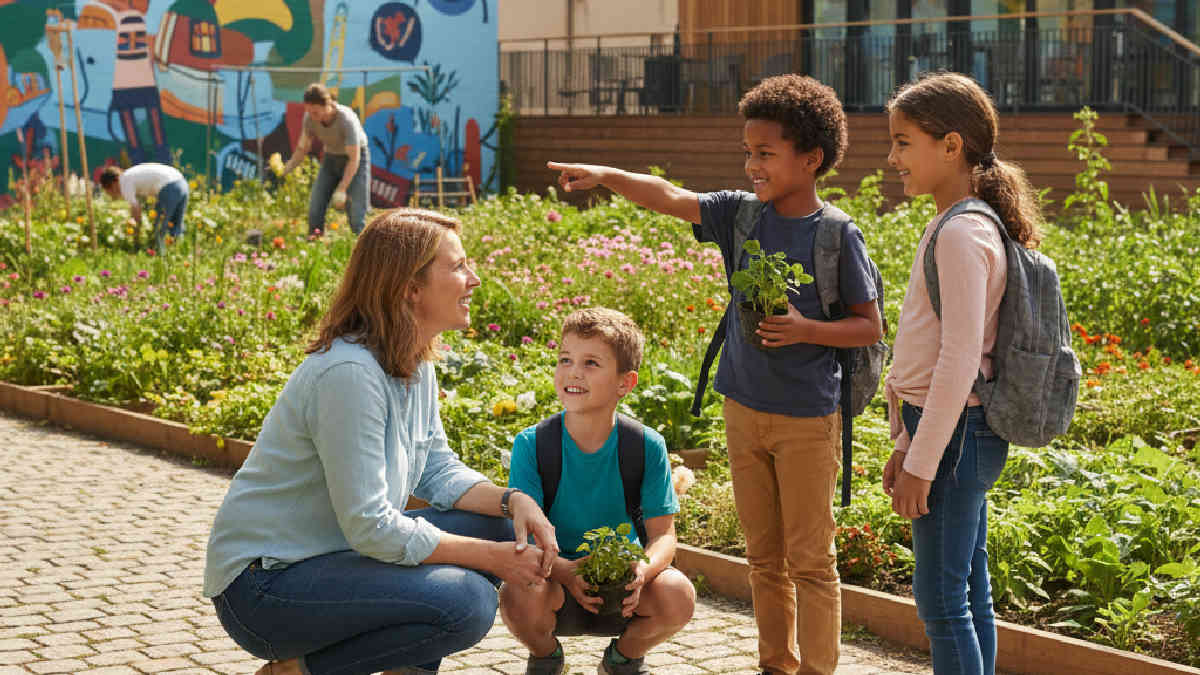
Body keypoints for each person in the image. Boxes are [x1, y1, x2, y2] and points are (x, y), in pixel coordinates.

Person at [546, 74, 883, 675]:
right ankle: (776, 664)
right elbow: (669, 195)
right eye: (747, 151)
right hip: (743, 407)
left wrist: (807, 329)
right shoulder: (740, 215)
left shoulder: (837, 234)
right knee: (762, 557)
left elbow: (869, 327)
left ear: (811, 160)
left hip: (808, 418)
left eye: (765, 153)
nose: (752, 164)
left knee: (810, 560)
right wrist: (605, 175)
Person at [203, 208, 559, 675]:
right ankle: (299, 670)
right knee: (465, 601)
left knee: (501, 529)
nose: (473, 279)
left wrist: (514, 501)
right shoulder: (349, 373)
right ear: (410, 289)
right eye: (457, 267)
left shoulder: (414, 360)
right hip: (266, 587)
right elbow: (371, 526)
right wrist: (492, 560)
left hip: (337, 557)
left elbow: (436, 468)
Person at [881, 72, 1040, 675]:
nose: (892, 157)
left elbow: (959, 358)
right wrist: (907, 440)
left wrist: (922, 460)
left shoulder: (964, 230)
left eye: (903, 142)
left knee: (942, 602)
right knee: (969, 594)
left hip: (954, 437)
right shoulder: (958, 221)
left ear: (951, 146)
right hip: (947, 431)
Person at [501, 308, 696, 675]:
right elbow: (524, 541)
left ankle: (623, 658)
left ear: (626, 382)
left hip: (624, 592)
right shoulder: (533, 444)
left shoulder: (645, 445)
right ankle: (545, 656)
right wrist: (566, 572)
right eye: (565, 359)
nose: (573, 372)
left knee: (679, 594)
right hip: (554, 585)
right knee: (516, 592)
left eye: (591, 363)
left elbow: (664, 536)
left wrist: (643, 569)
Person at [278, 83, 370, 235]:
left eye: (315, 112)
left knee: (356, 213)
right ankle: (314, 243)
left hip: (356, 160)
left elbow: (354, 159)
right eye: (308, 111)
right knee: (316, 206)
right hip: (330, 159)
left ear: (327, 104)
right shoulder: (310, 118)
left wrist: (342, 188)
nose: (311, 116)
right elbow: (302, 149)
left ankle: (361, 247)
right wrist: (286, 169)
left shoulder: (346, 119)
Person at [99, 163, 188, 254]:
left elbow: (136, 210)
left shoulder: (124, 182)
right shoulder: (131, 174)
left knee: (160, 229)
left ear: (112, 184)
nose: (110, 195)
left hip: (169, 188)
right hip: (182, 182)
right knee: (176, 226)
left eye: (107, 191)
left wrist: (136, 237)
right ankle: (180, 254)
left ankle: (163, 258)